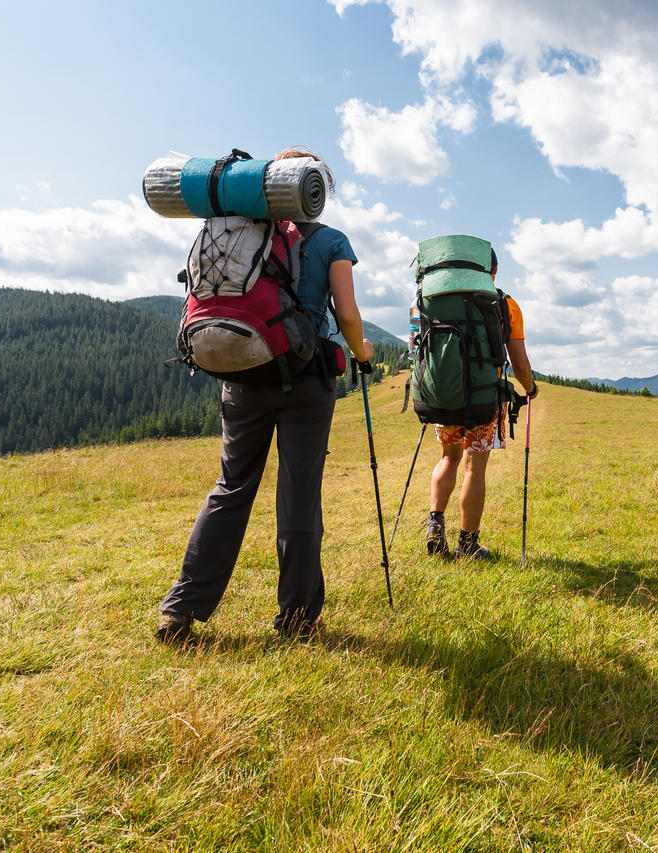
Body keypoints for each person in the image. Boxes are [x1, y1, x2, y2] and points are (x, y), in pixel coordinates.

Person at [156, 147, 373, 643]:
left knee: (230, 489)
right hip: (306, 381)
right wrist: (361, 355)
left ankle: (181, 611)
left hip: (242, 379)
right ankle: (297, 620)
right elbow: (348, 316)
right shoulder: (332, 240)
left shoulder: (234, 230)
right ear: (311, 186)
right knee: (298, 496)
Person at [425, 251, 537, 559]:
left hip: (443, 395)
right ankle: (467, 544)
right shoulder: (505, 304)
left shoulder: (430, 299)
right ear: (494, 269)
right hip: (483, 398)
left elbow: (416, 348)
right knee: (474, 465)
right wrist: (530, 389)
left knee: (448, 457)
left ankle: (434, 528)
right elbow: (519, 363)